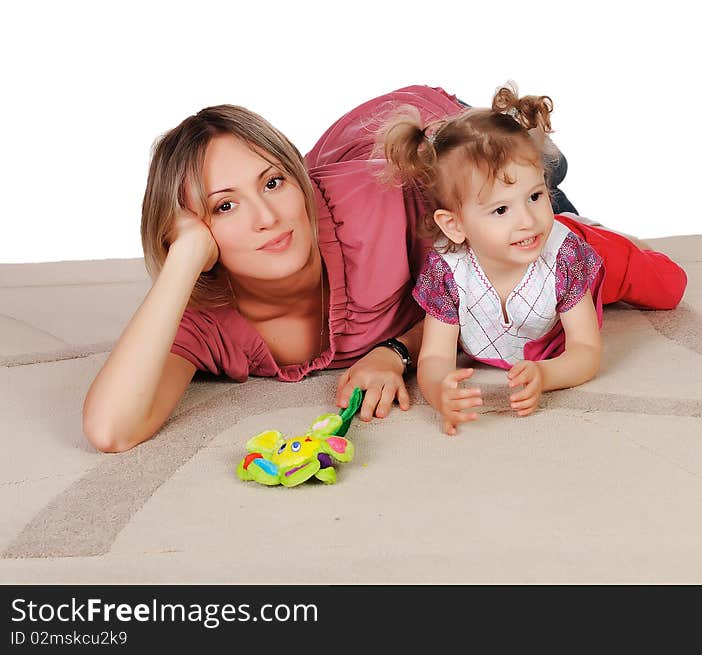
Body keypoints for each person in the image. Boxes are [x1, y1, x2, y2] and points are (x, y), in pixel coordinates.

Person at [81, 85, 582, 453]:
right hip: (372, 165)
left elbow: (473, 284)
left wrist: (394, 352)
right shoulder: (206, 317)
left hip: (438, 152)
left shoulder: (383, 207)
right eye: (225, 207)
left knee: (546, 200)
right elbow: (112, 430)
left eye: (274, 182)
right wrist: (182, 259)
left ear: (295, 177)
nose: (269, 218)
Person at [380, 84, 688, 435]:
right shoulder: (448, 272)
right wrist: (439, 392)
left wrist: (547, 374)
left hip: (588, 252)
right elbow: (435, 356)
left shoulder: (565, 256)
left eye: (535, 195)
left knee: (669, 287)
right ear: (454, 226)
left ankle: (604, 234)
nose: (526, 219)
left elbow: (585, 349)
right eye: (500, 209)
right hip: (540, 270)